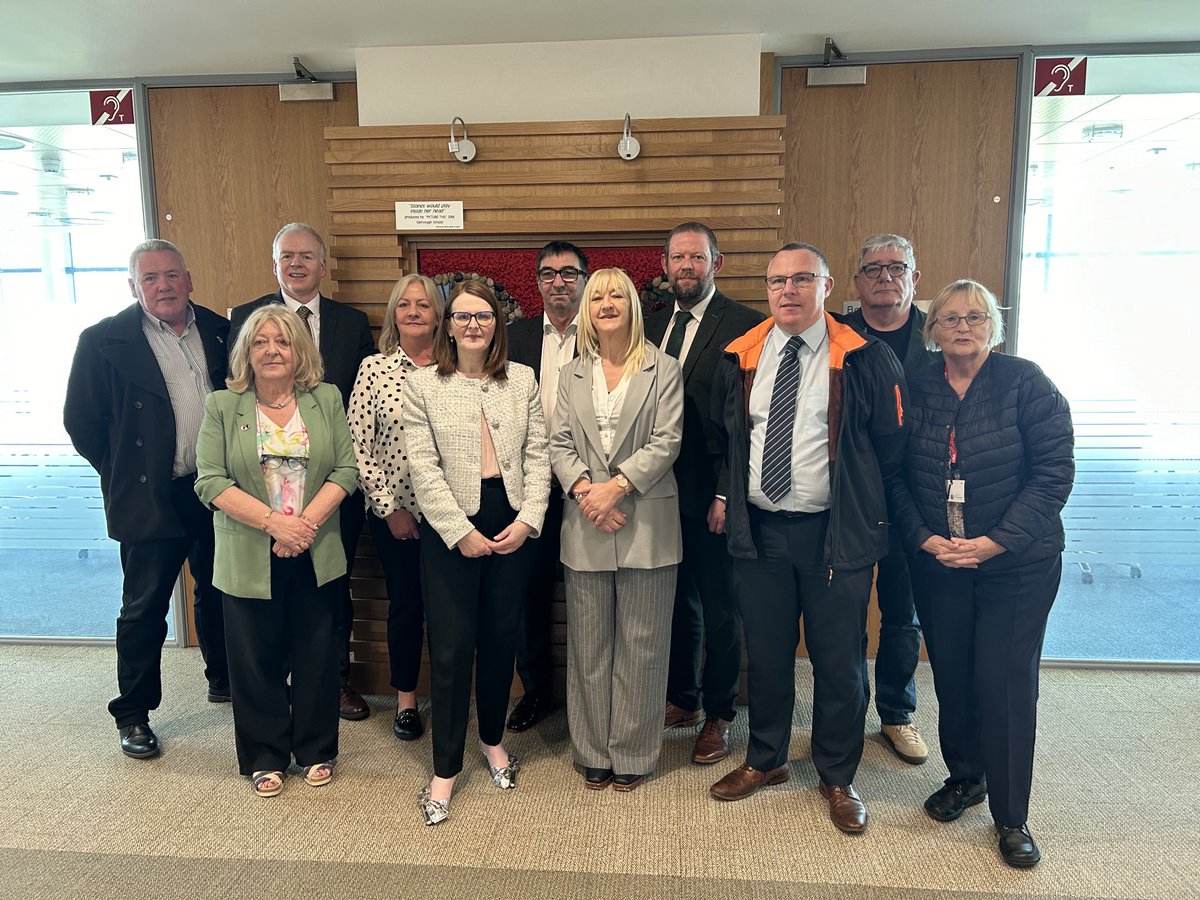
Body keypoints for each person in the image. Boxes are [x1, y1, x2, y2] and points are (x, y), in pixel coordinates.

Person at [708, 242, 907, 836]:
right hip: (762, 531)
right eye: (776, 282)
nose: (787, 291)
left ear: (825, 285)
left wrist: (876, 522)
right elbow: (731, 440)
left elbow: (891, 450)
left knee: (838, 659)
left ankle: (838, 774)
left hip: (833, 534)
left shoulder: (865, 357)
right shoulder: (741, 355)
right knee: (766, 653)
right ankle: (765, 759)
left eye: (801, 279)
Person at [886, 279, 1073, 868]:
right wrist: (923, 537)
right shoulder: (914, 388)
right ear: (932, 330)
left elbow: (1053, 475)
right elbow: (892, 475)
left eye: (974, 317)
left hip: (1016, 564)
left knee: (1005, 682)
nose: (962, 326)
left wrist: (992, 543)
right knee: (955, 675)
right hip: (939, 561)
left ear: (994, 325)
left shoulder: (1027, 382)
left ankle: (1012, 816)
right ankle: (966, 777)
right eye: (949, 318)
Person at [64, 239, 230, 760]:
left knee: (221, 592)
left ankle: (224, 679)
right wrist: (122, 472)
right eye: (151, 278)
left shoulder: (222, 330)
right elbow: (82, 422)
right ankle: (134, 713)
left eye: (172, 275)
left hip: (217, 490)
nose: (164, 286)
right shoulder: (102, 340)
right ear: (134, 287)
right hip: (149, 493)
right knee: (143, 608)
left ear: (189, 279)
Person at [195, 304, 359, 797]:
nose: (271, 350)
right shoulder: (223, 406)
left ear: (299, 351)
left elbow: (347, 472)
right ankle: (264, 755)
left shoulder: (325, 398)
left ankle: (316, 748)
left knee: (316, 653)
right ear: (246, 351)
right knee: (255, 659)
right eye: (261, 341)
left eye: (283, 341)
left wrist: (303, 525)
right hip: (249, 549)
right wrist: (274, 525)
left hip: (314, 545)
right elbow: (210, 481)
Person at [402, 280, 550, 825]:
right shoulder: (423, 385)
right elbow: (422, 466)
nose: (472, 324)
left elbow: (538, 455)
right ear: (449, 325)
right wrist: (456, 528)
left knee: (499, 640)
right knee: (451, 649)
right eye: (462, 316)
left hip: (509, 518)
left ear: (496, 324)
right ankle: (444, 769)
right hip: (450, 528)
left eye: (483, 316)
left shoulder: (523, 381)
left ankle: (491, 741)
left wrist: (530, 518)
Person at [230, 223, 375, 721]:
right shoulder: (246, 317)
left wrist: (309, 517)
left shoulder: (352, 323)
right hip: (257, 494)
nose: (296, 263)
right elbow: (232, 396)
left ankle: (333, 683)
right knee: (265, 599)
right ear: (275, 264)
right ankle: (273, 692)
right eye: (287, 255)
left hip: (330, 491)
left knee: (331, 590)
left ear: (323, 265)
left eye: (307, 256)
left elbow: (359, 406)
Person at [549, 267, 684, 792]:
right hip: (586, 522)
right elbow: (559, 443)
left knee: (643, 645)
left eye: (616, 295)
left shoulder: (663, 368)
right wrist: (590, 494)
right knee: (588, 646)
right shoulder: (571, 373)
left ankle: (632, 751)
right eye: (597, 295)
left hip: (646, 520)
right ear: (588, 309)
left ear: (631, 304)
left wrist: (616, 488)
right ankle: (592, 750)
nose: (606, 302)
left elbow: (667, 441)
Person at [645, 222, 764, 765]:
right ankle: (683, 699)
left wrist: (725, 493)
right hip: (656, 494)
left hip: (711, 493)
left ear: (717, 260)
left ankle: (719, 713)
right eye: (677, 258)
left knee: (721, 609)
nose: (686, 266)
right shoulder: (647, 326)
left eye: (696, 257)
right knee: (673, 603)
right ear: (665, 265)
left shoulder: (746, 326)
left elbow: (749, 423)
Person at [844, 233, 938, 766]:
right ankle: (848, 710)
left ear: (914, 278)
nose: (884, 276)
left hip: (916, 501)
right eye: (873, 268)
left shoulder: (939, 337)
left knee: (903, 614)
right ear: (857, 282)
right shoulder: (835, 336)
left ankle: (898, 714)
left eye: (895, 267)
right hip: (852, 499)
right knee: (847, 614)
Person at [348, 275, 442, 742]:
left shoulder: (458, 366)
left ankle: (447, 696)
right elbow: (357, 446)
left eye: (422, 304)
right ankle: (406, 699)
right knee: (407, 606)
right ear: (393, 313)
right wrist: (389, 510)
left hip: (454, 517)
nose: (412, 311)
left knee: (450, 610)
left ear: (437, 313)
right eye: (403, 304)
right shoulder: (374, 369)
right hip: (396, 516)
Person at [505, 240, 588, 732]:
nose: (559, 282)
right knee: (527, 595)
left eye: (569, 273)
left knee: (590, 594)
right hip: (528, 490)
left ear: (585, 279)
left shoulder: (605, 333)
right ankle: (536, 690)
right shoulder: (512, 337)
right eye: (549, 273)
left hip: (588, 489)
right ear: (536, 282)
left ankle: (588, 694)